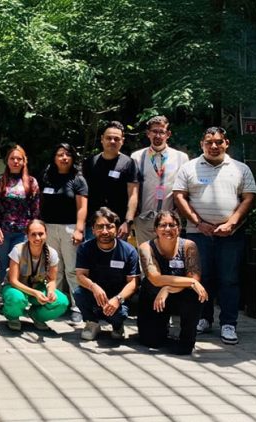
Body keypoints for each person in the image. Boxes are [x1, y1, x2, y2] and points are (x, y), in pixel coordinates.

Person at [173, 127, 256, 345]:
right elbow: (179, 196)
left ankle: (229, 323)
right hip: (198, 234)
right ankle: (204, 318)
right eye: (209, 142)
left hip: (230, 234)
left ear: (226, 143)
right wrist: (198, 223)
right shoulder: (189, 168)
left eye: (218, 142)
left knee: (229, 279)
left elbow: (249, 197)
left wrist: (231, 223)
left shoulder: (240, 168)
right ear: (202, 143)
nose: (214, 146)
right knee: (201, 278)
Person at [137, 211, 208, 355]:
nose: (168, 229)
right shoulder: (146, 247)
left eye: (172, 225)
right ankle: (160, 331)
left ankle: (187, 339)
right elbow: (155, 278)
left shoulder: (189, 246)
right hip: (154, 295)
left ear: (179, 227)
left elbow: (194, 279)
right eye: (163, 225)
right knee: (152, 341)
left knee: (194, 293)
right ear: (156, 229)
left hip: (180, 295)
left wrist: (168, 288)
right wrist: (189, 282)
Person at [74, 207, 140, 341]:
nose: (104, 231)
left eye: (109, 227)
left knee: (119, 314)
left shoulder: (129, 251)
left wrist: (118, 299)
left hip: (118, 296)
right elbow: (80, 275)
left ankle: (117, 326)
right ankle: (92, 323)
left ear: (116, 229)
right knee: (78, 293)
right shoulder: (85, 248)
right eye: (99, 227)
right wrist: (93, 287)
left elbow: (133, 282)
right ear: (92, 229)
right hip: (95, 294)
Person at [39, 143, 88, 323]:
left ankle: (78, 307)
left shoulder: (78, 180)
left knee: (73, 270)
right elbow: (41, 203)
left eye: (68, 154)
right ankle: (56, 305)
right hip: (49, 228)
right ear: (54, 158)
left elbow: (82, 207)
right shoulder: (47, 177)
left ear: (73, 158)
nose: (64, 158)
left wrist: (79, 229)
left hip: (70, 228)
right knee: (54, 270)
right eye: (60, 154)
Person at [131, 116, 189, 245]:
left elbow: (185, 189)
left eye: (162, 132)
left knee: (169, 258)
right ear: (148, 134)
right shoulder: (137, 157)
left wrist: (178, 214)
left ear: (168, 134)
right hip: (144, 218)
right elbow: (132, 189)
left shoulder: (181, 157)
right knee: (145, 260)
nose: (158, 135)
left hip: (170, 220)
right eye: (154, 131)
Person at [2, 219, 69, 331]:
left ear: (46, 234)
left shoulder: (52, 253)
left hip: (38, 287)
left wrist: (51, 291)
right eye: (33, 234)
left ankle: (37, 316)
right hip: (17, 288)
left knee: (62, 301)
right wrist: (35, 293)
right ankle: (12, 316)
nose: (37, 238)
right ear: (27, 236)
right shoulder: (18, 250)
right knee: (17, 299)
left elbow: (52, 280)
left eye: (41, 234)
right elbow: (13, 281)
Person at [0, 145, 40, 284]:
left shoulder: (31, 182)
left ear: (24, 161)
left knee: (19, 264)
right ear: (7, 161)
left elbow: (35, 208)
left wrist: (32, 231)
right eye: (12, 158)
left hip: (22, 232)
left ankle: (18, 294)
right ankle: (4, 295)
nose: (15, 161)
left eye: (19, 159)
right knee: (3, 264)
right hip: (2, 231)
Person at [82, 121, 139, 240]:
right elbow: (83, 195)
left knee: (116, 259)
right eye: (109, 138)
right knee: (93, 258)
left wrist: (128, 222)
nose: (112, 141)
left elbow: (133, 194)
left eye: (116, 139)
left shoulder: (129, 163)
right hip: (93, 225)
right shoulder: (90, 163)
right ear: (102, 139)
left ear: (122, 141)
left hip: (118, 225)